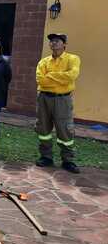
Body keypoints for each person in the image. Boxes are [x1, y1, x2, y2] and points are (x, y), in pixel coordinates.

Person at [35, 33, 81, 173]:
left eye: (57, 41)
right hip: (44, 98)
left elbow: (72, 76)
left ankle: (68, 160)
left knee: (65, 129)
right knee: (43, 129)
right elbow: (40, 80)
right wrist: (60, 78)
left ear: (64, 44)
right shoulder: (44, 61)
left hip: (63, 99)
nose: (53, 43)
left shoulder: (72, 59)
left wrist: (50, 76)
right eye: (51, 41)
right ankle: (46, 157)